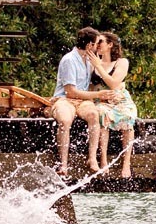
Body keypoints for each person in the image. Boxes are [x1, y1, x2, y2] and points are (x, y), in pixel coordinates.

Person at [50, 27, 120, 176]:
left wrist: (108, 93)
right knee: (64, 120)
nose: (98, 47)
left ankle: (92, 158)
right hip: (66, 99)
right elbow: (70, 92)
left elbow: (95, 82)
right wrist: (98, 95)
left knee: (94, 115)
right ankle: (63, 164)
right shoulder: (69, 60)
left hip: (82, 101)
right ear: (89, 45)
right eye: (96, 44)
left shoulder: (89, 61)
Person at [86, 31, 138, 178]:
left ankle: (126, 162)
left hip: (119, 97)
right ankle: (103, 160)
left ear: (110, 44)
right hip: (100, 99)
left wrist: (99, 66)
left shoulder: (122, 62)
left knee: (128, 116)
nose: (97, 45)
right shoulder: (93, 63)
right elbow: (90, 85)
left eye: (100, 42)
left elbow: (114, 83)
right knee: (102, 114)